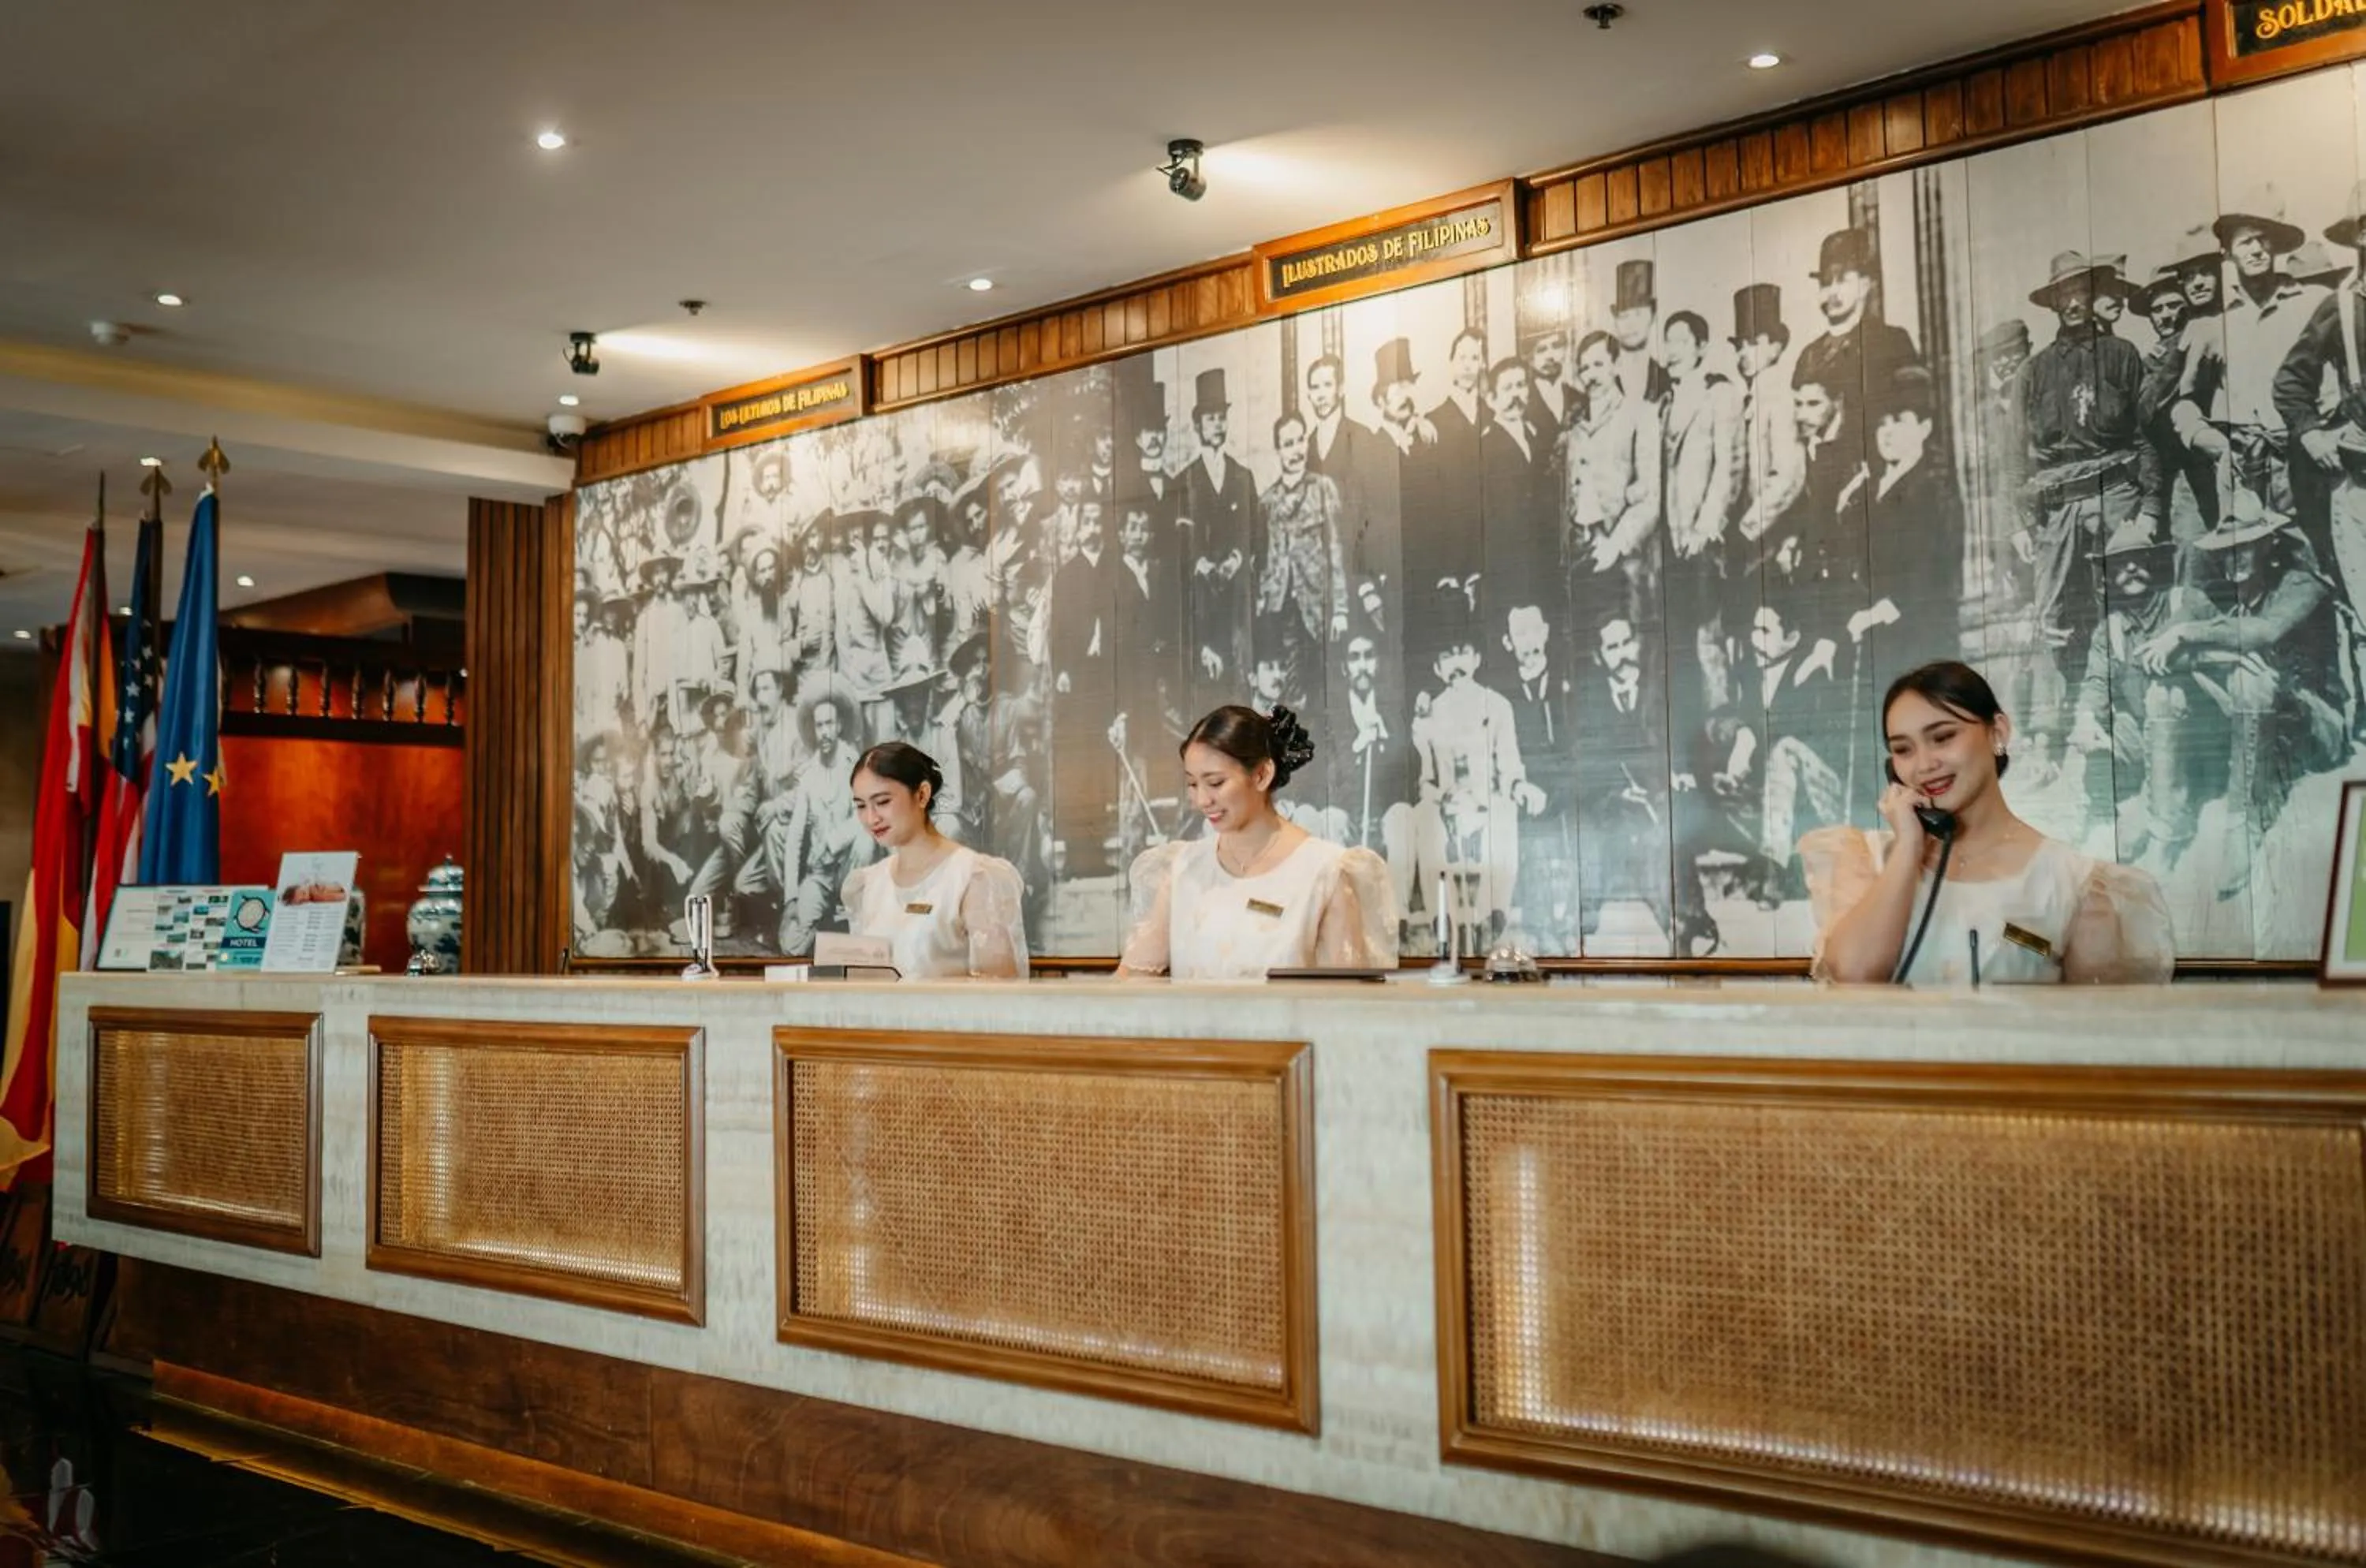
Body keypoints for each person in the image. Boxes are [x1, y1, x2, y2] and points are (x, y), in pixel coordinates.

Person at [1801, 661, 2174, 985]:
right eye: (1903, 749)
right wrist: (1910, 847)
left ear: (1997, 733)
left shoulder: (2077, 886)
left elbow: (2093, 1044)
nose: (1924, 764)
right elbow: (1854, 975)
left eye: (1943, 737)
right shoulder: (1868, 862)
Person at [1119, 705, 1398, 979]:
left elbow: (1349, 1004)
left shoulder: (1324, 872)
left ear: (1262, 774)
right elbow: (1134, 978)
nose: (1203, 800)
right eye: (1193, 784)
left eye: (1215, 783)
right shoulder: (1184, 870)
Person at [840, 742, 1029, 980]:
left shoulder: (972, 877)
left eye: (883, 802)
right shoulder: (867, 884)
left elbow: (999, 991)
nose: (871, 818)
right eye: (861, 806)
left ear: (922, 794)